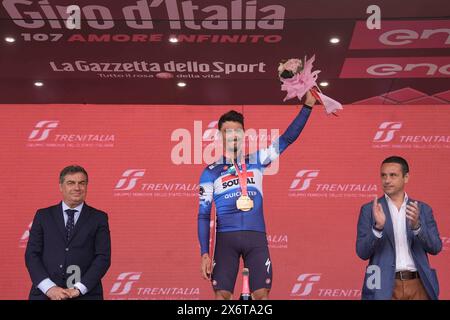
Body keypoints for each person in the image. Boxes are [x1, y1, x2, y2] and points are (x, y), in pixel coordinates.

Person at [198, 91, 316, 300]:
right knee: (222, 297)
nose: (233, 135)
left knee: (261, 296)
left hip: (256, 238)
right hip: (226, 240)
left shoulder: (258, 159)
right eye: (227, 131)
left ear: (244, 134)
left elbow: (288, 138)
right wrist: (204, 253)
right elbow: (203, 215)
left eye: (237, 130)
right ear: (221, 136)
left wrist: (307, 106)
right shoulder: (210, 171)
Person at [356, 156, 442, 300]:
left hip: (419, 284)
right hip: (382, 285)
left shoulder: (422, 209)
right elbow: (362, 252)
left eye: (393, 175)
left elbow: (436, 247)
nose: (387, 180)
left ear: (406, 177)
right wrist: (378, 228)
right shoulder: (370, 210)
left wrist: (417, 227)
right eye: (383, 175)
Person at [25, 165, 111, 300]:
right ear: (61, 186)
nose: (77, 188)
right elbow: (32, 254)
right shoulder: (43, 215)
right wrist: (49, 288)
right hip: (45, 294)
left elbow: (103, 258)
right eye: (71, 183)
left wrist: (79, 289)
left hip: (85, 295)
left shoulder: (99, 218)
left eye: (82, 183)